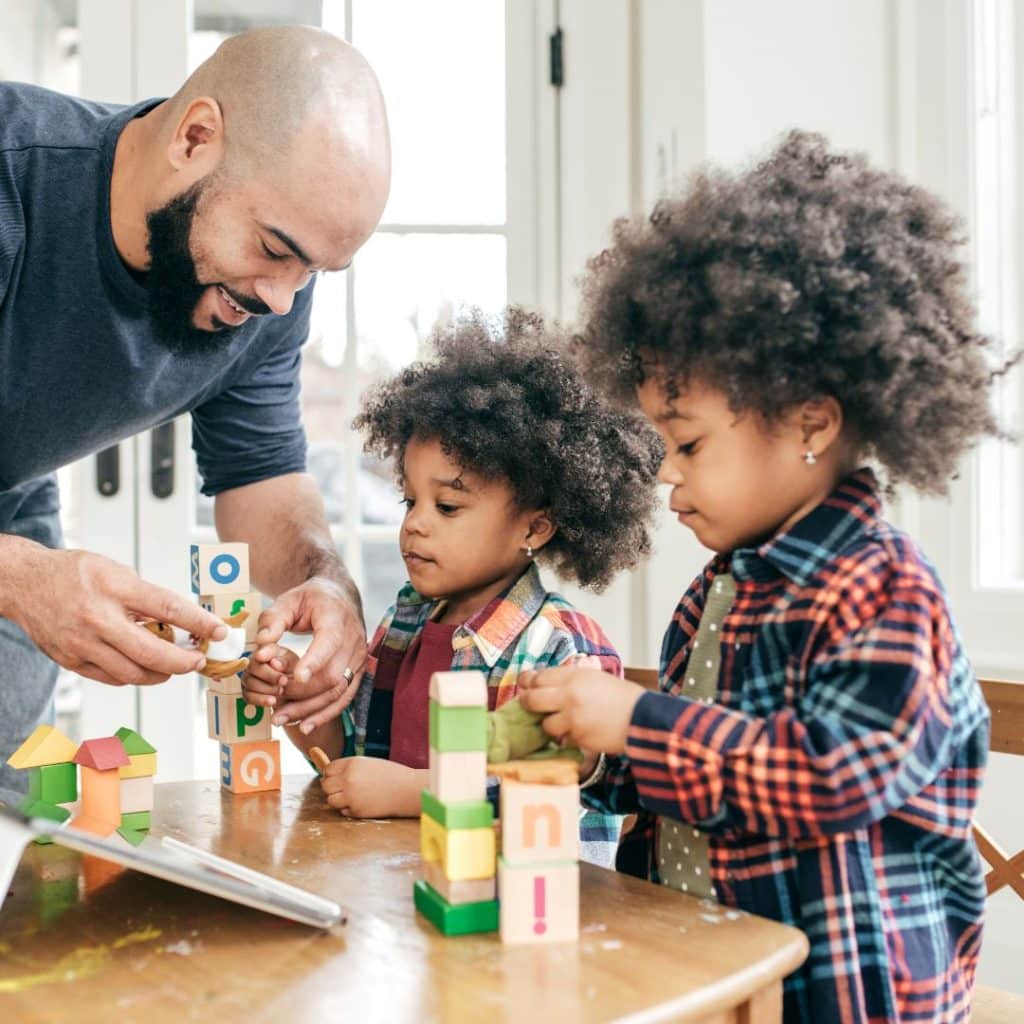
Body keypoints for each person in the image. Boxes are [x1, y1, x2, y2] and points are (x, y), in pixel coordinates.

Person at [519, 132, 1002, 1023]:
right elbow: (695, 775)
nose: (665, 472)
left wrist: (638, 720)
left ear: (811, 422)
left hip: (846, 994)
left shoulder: (884, 588)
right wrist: (597, 750)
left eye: (690, 443)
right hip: (711, 971)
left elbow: (831, 778)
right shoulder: (715, 593)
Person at [0, 26, 391, 790]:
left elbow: (264, 478)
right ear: (195, 136)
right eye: (277, 248)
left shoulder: (268, 300)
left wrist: (327, 585)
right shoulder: (14, 179)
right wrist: (22, 580)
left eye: (315, 271)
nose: (281, 299)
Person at [243, 309, 662, 866]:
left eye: (447, 506)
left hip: (516, 908)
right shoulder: (405, 624)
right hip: (401, 890)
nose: (415, 523)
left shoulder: (561, 650)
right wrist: (307, 706)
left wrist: (410, 792)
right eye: (408, 500)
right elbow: (358, 762)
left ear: (534, 527)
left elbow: (550, 796)